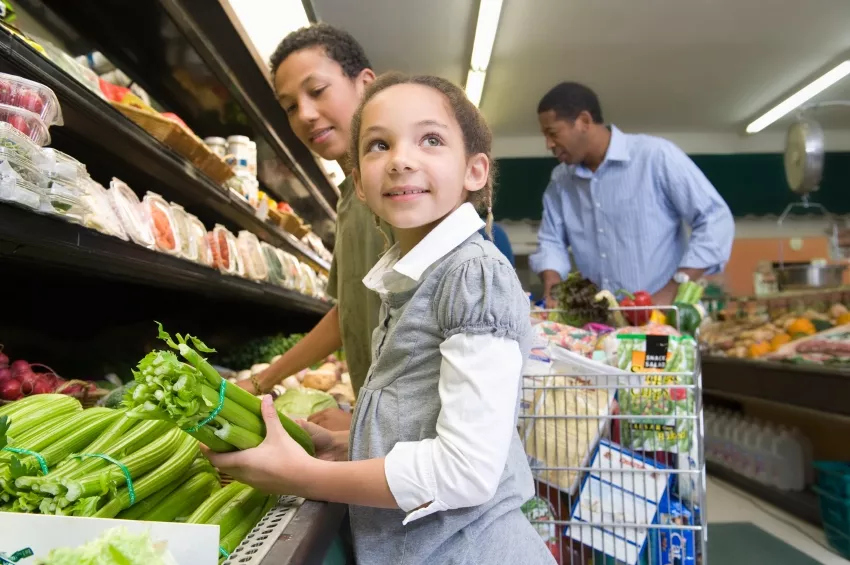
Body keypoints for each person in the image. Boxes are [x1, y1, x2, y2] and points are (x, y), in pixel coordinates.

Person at [205, 73, 555, 565]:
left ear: (475, 171)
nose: (401, 159)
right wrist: (350, 443)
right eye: (378, 145)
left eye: (430, 139)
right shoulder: (412, 281)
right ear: (359, 183)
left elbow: (465, 470)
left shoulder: (472, 275)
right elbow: (428, 418)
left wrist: (297, 475)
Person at [237, 24, 391, 432]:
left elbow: (442, 323)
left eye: (317, 91)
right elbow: (349, 312)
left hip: (418, 443)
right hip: (384, 429)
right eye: (289, 106)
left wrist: (369, 421)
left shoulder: (403, 189)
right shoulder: (348, 198)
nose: (304, 114)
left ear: (365, 85)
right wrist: (259, 381)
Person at [530, 82, 734, 307]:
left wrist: (673, 289)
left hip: (663, 317)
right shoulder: (561, 181)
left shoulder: (656, 157)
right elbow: (551, 240)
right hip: (599, 321)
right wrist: (553, 284)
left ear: (584, 121)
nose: (549, 144)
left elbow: (715, 220)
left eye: (553, 133)